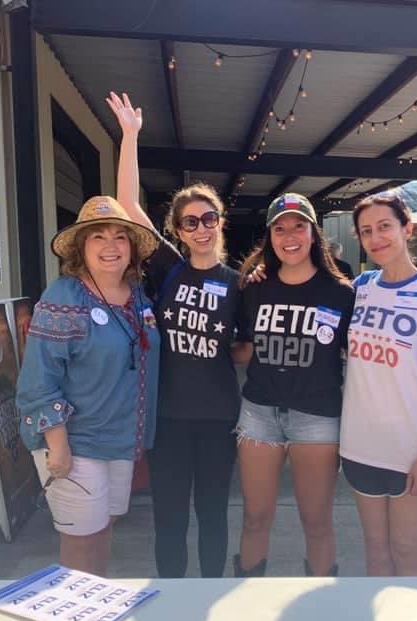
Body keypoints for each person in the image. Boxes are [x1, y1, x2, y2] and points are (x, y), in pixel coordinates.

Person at [107, 92, 242, 579]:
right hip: (167, 420)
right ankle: (172, 599)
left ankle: (208, 598)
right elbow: (126, 203)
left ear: (220, 223)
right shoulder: (168, 269)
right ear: (179, 231)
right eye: (191, 222)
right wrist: (129, 137)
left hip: (218, 419)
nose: (201, 228)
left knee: (212, 515)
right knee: (169, 520)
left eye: (209, 219)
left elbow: (245, 345)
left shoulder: (236, 283)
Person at [17, 196, 161, 576]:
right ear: (82, 247)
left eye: (120, 237)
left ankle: (94, 607)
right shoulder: (65, 296)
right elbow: (39, 376)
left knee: (103, 531)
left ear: (132, 248)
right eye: (98, 237)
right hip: (76, 443)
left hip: (119, 440)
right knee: (80, 546)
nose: (110, 247)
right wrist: (58, 445)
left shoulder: (138, 296)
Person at [339, 192, 417, 577]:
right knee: (376, 554)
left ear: (406, 229)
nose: (376, 238)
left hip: (413, 451)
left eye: (384, 227)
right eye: (366, 231)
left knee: (409, 552)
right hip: (361, 447)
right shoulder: (358, 288)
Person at [232, 193, 354, 577]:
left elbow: (358, 355)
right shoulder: (253, 288)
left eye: (298, 226)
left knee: (316, 522)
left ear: (312, 233)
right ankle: (248, 599)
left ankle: (320, 609)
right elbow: (245, 348)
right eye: (279, 228)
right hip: (259, 414)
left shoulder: (341, 292)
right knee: (255, 517)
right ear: (269, 236)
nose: (289, 236)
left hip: (316, 417)